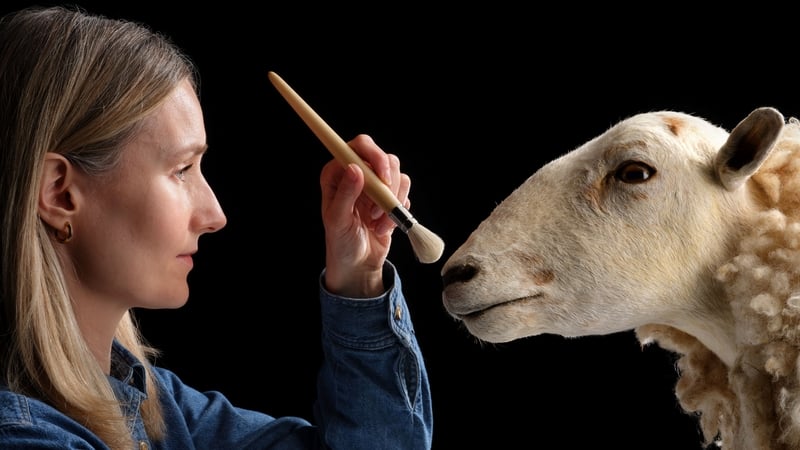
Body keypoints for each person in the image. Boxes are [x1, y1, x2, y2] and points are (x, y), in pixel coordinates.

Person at [0, 5, 432, 450]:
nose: (216, 215)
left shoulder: (157, 407)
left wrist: (359, 276)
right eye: (182, 169)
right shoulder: (26, 436)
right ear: (59, 193)